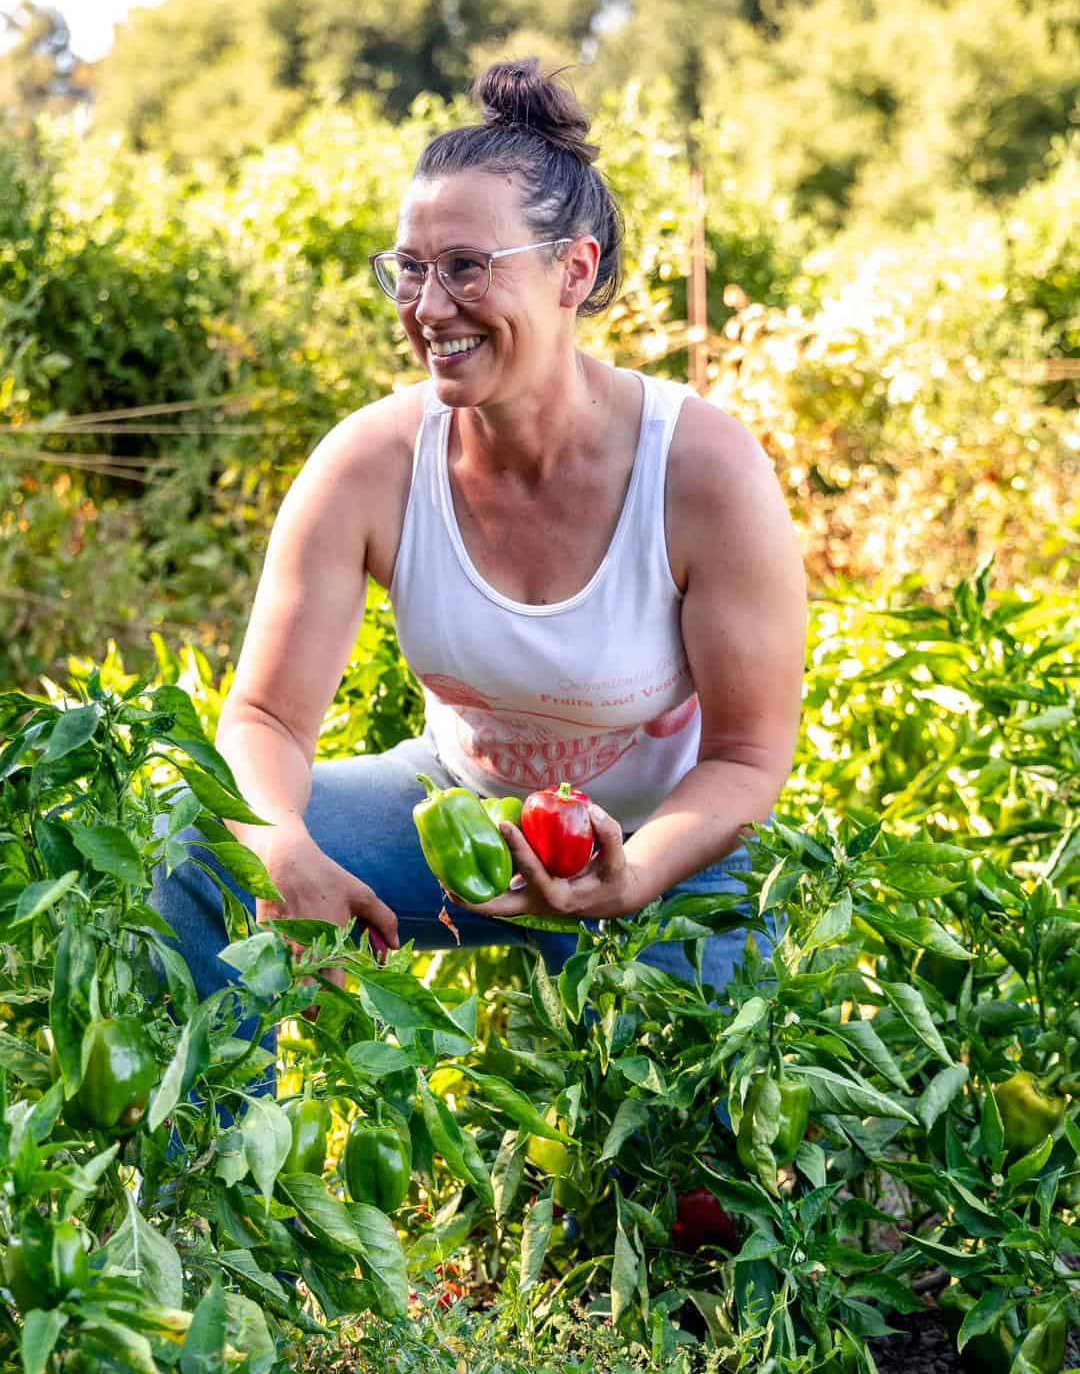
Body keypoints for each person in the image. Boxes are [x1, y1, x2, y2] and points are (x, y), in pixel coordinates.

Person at [151, 59, 806, 1002]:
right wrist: (283, 849)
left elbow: (745, 761)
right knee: (200, 837)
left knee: (695, 1136)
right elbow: (263, 720)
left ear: (572, 270)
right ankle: (203, 1149)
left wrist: (633, 876)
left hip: (667, 847)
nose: (426, 308)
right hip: (451, 819)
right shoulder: (372, 463)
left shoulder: (702, 470)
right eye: (410, 270)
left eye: (465, 267)